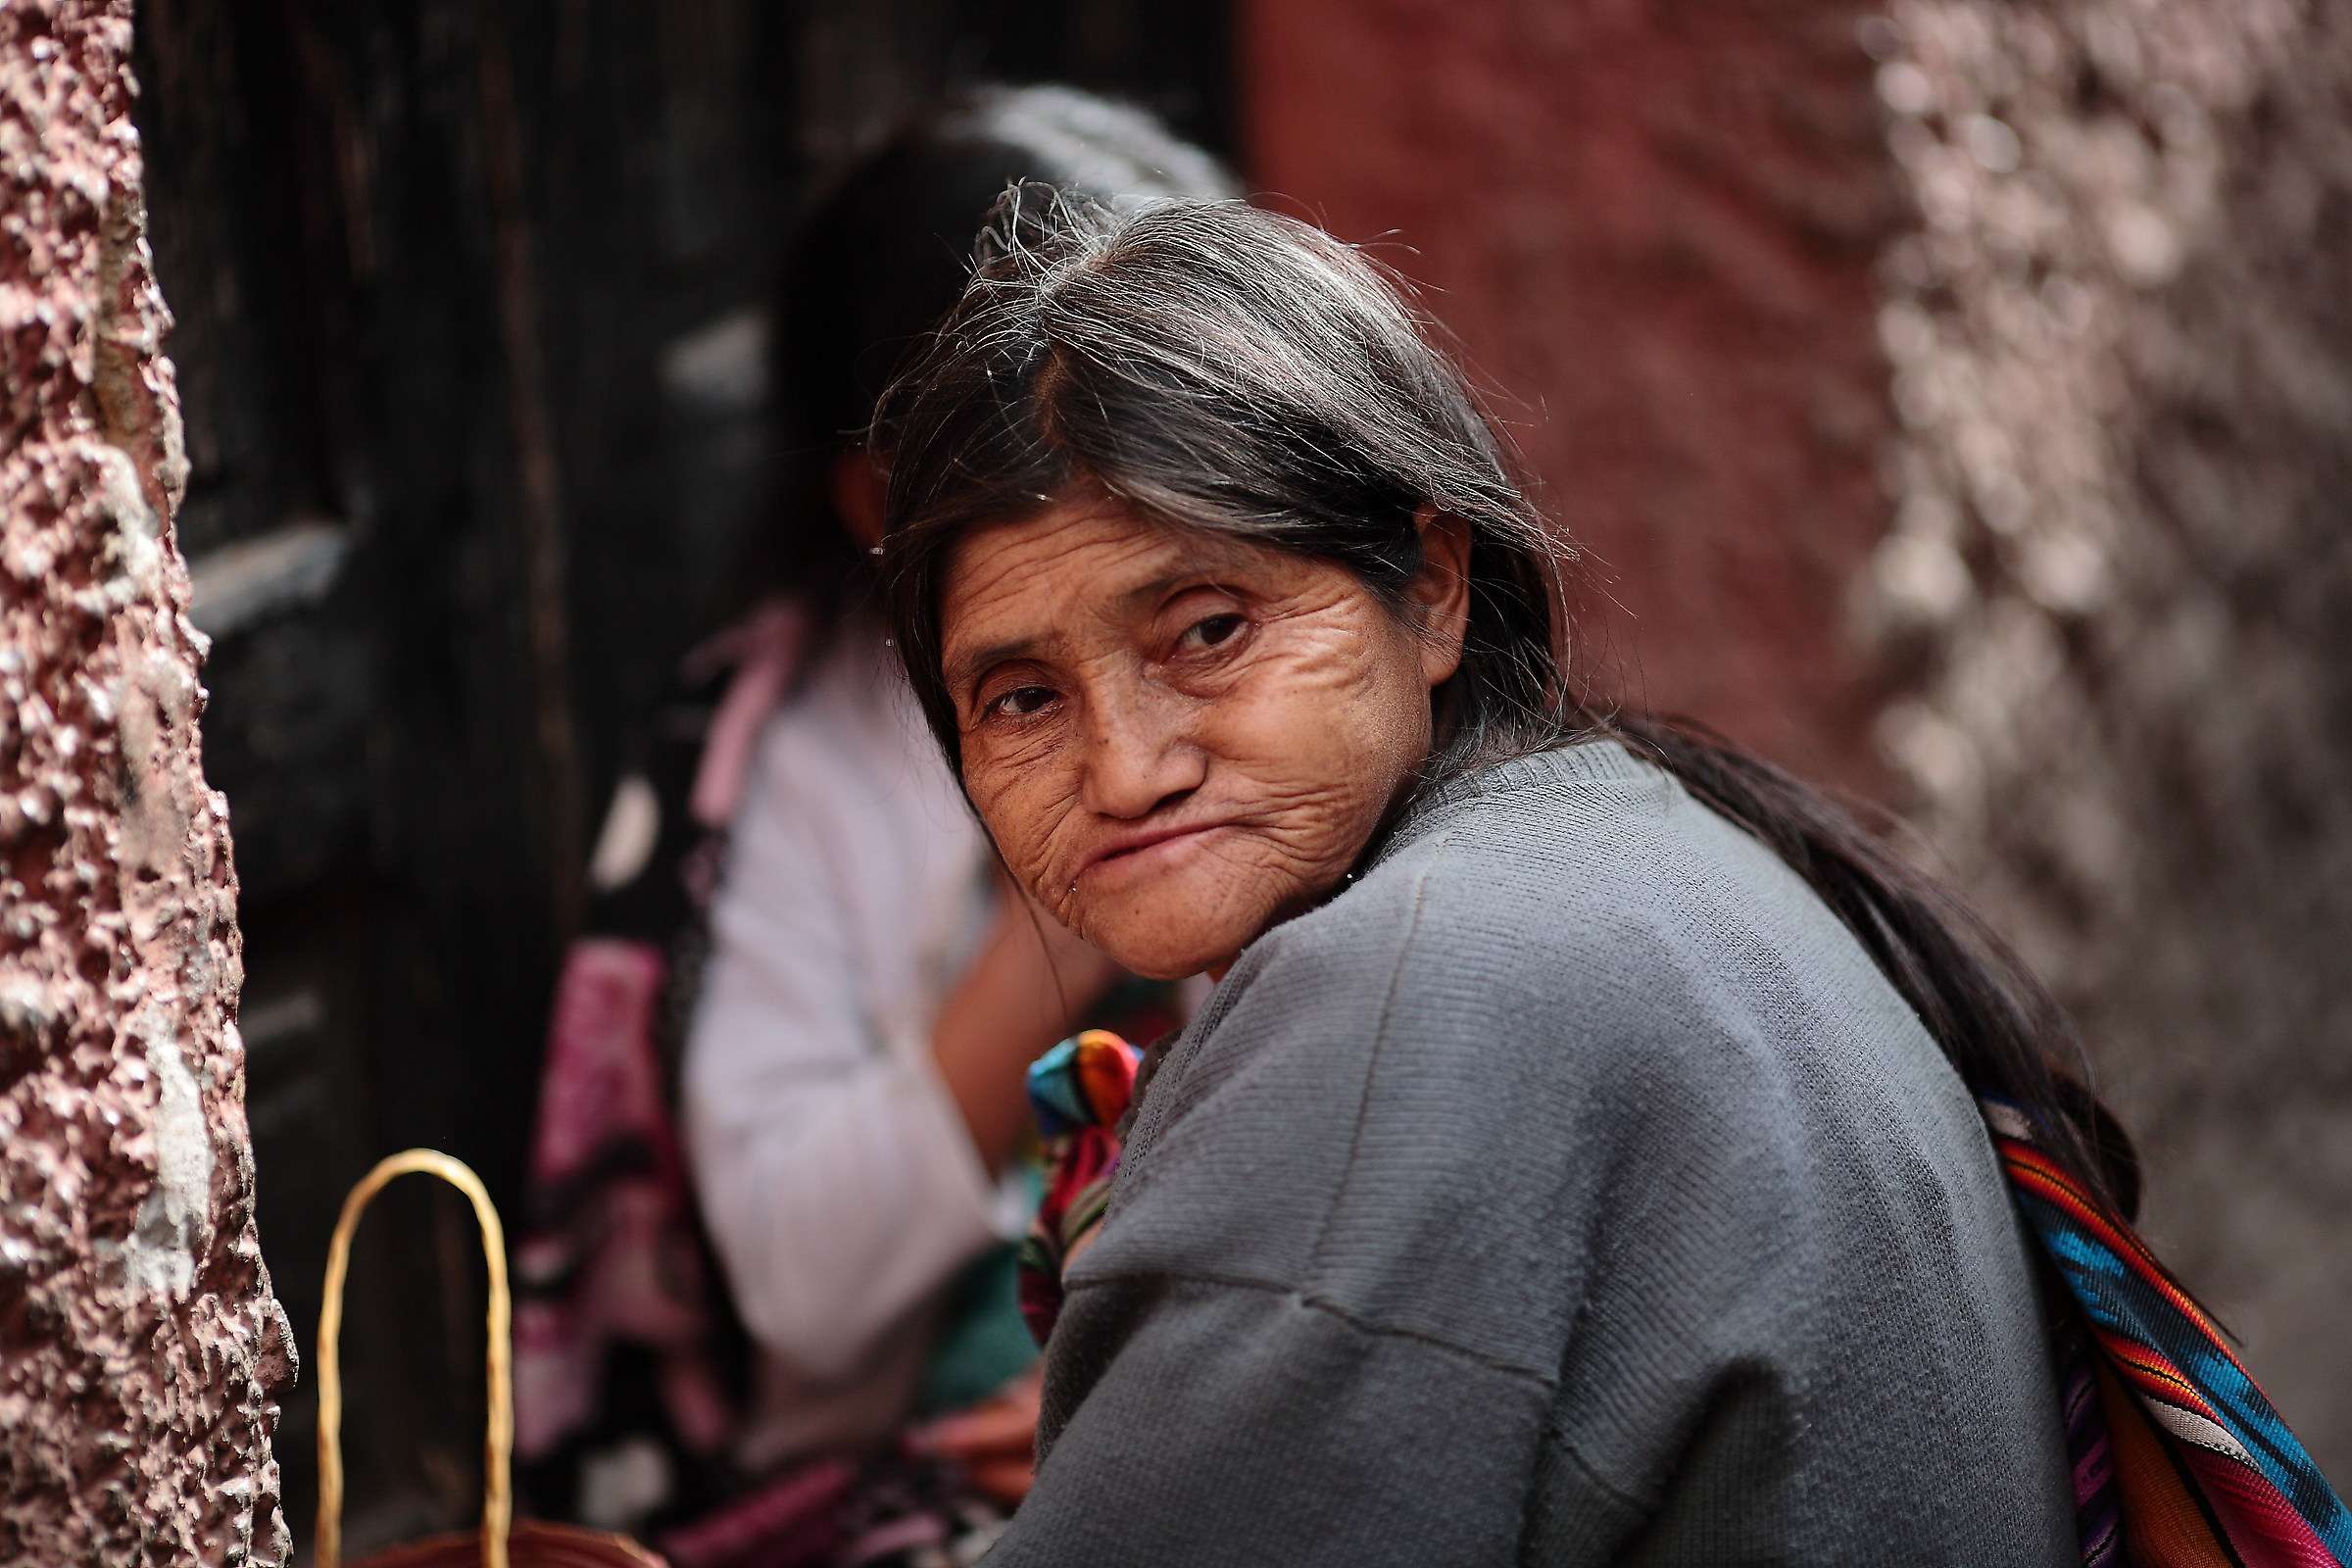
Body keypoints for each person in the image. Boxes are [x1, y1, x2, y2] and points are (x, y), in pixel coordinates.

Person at [864, 191, 2352, 1563]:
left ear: (1431, 588)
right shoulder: (1627, 847)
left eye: (1208, 631)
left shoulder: (1411, 998)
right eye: (1021, 700)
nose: (1125, 768)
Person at [676, 87, 1234, 1496]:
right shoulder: (800, 774)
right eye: (1085, 421)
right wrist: (1086, 897)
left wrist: (1180, 1372)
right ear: (882, 502)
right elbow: (803, 1283)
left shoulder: (1293, 672)